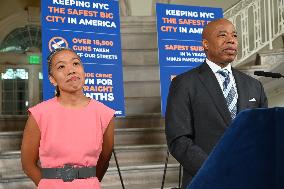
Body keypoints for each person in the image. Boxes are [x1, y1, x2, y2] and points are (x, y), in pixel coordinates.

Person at [165, 18, 268, 189]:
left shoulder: (254, 85)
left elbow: (263, 135)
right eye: (222, 35)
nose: (231, 40)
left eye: (234, 35)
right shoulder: (184, 83)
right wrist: (215, 169)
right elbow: (178, 139)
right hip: (206, 180)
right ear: (205, 44)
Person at [21, 47, 115, 189]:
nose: (71, 70)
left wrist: (88, 182)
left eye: (75, 64)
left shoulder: (104, 113)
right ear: (52, 79)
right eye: (61, 66)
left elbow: (104, 159)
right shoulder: (39, 114)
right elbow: (28, 164)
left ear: (84, 71)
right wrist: (46, 185)